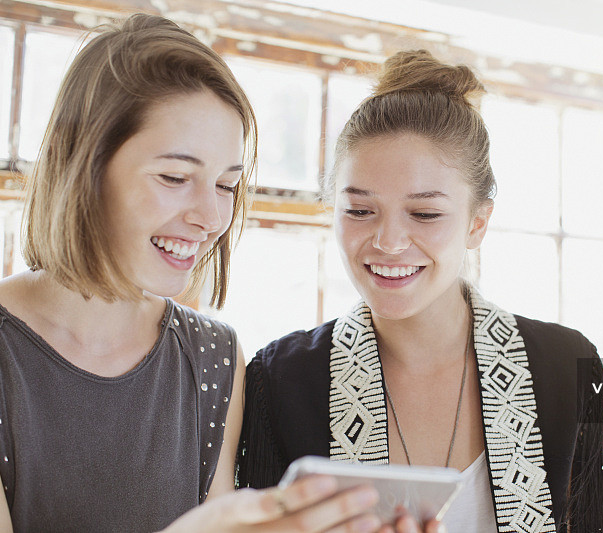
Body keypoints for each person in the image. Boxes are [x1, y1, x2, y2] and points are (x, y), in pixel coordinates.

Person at [0, 13, 408, 533]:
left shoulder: (214, 357)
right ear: (79, 160)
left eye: (226, 184)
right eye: (175, 176)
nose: (212, 218)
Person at [238, 49, 603, 532]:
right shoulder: (281, 379)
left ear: (477, 223)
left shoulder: (567, 367)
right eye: (359, 211)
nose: (388, 242)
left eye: (424, 214)